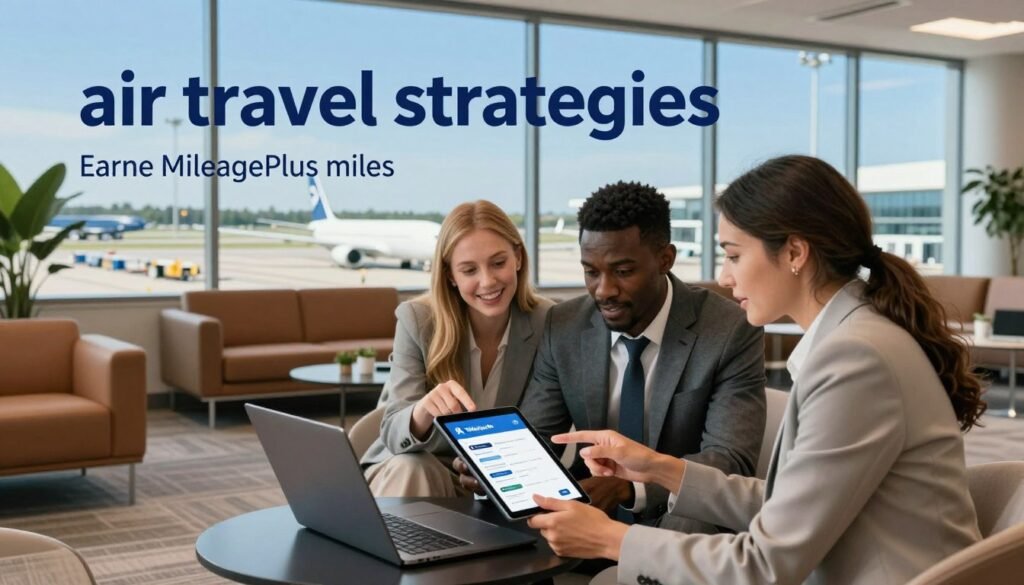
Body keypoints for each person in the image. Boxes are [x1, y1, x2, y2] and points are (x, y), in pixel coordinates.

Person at [526, 155, 986, 585]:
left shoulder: (855, 360)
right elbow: (783, 506)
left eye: (733, 255)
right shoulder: (857, 339)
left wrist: (611, 539)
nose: (725, 278)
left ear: (794, 253)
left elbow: (766, 564)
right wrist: (657, 468)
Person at [456, 181, 766, 533]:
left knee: (691, 521)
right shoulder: (565, 325)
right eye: (591, 271)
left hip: (679, 524)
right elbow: (540, 435)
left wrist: (629, 487)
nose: (604, 290)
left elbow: (729, 460)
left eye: (623, 271)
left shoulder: (727, 331)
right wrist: (501, 467)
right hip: (588, 511)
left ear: (666, 259)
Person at [361, 200, 553, 497]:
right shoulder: (418, 319)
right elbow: (392, 431)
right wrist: (423, 411)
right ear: (450, 275)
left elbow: (549, 430)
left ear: (518, 257)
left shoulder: (547, 322)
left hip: (505, 481)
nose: (487, 281)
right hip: (423, 468)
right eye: (469, 270)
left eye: (498, 263)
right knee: (414, 469)